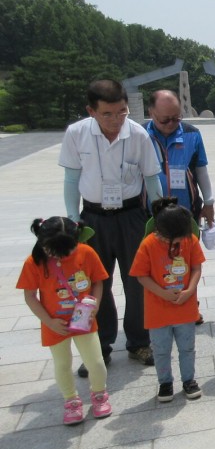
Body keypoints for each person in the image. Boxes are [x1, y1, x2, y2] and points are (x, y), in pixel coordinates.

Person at [59, 79, 163, 376]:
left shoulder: (138, 134)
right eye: (107, 114)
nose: (116, 120)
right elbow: (71, 180)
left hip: (131, 216)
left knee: (138, 280)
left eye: (122, 112)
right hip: (92, 218)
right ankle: (100, 346)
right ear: (91, 111)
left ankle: (139, 342)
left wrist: (159, 218)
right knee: (94, 282)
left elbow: (152, 178)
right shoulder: (76, 133)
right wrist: (73, 220)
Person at [16, 217, 111, 425]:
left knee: (95, 361)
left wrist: (94, 305)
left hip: (84, 320)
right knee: (62, 364)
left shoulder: (86, 253)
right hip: (54, 324)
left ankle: (99, 394)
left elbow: (98, 282)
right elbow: (30, 296)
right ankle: (71, 400)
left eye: (65, 252)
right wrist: (49, 322)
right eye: (53, 251)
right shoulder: (34, 262)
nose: (59, 256)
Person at [130, 198, 205, 402]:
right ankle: (165, 382)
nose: (179, 243)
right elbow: (141, 275)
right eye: (175, 240)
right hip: (158, 310)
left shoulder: (190, 240)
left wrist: (190, 290)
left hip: (185, 307)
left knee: (187, 347)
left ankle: (189, 380)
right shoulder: (148, 244)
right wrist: (162, 293)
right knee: (161, 350)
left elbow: (196, 267)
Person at [146, 89, 215, 225]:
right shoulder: (141, 135)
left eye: (176, 118)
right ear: (151, 113)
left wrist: (209, 202)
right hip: (150, 215)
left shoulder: (192, 134)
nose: (171, 123)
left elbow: (201, 171)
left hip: (187, 213)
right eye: (165, 120)